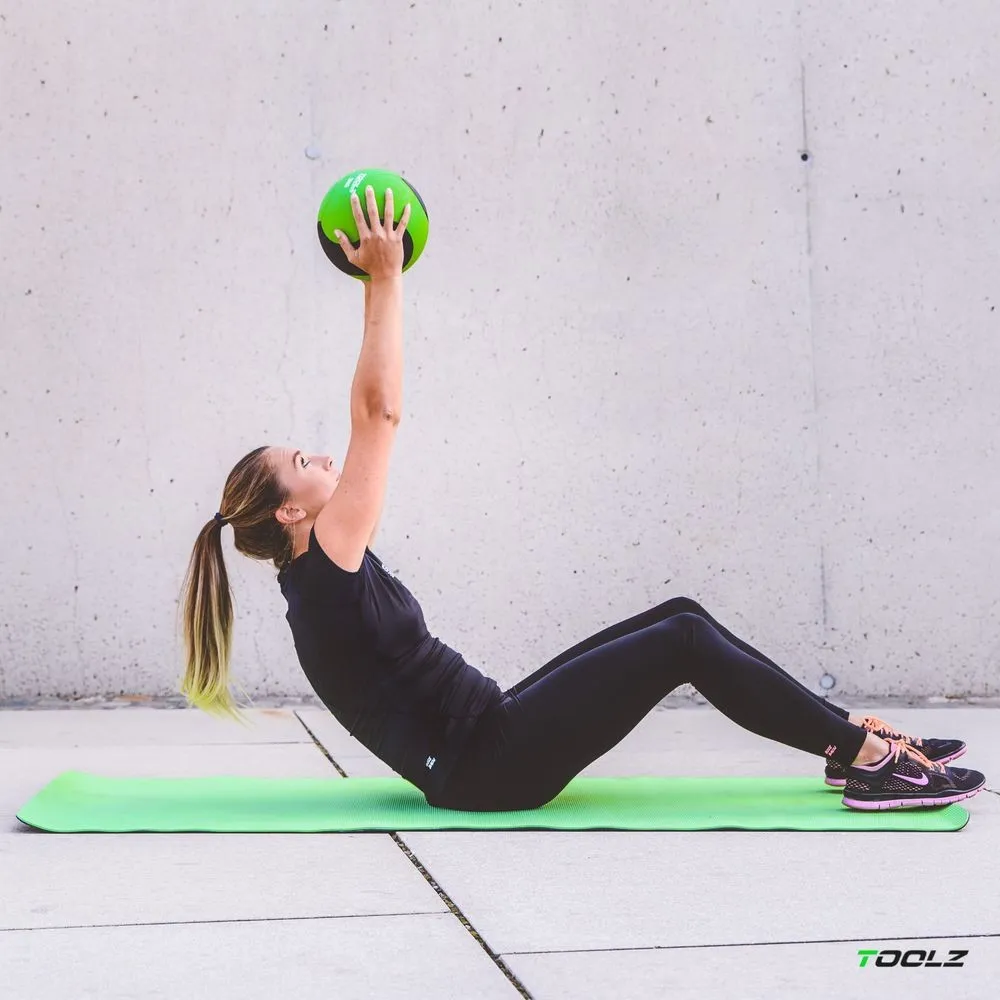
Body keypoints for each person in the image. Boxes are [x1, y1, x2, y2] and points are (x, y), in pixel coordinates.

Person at [179, 185, 986, 813]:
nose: (323, 457)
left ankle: (845, 740)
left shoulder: (322, 571)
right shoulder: (325, 571)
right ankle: (870, 762)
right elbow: (378, 413)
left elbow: (368, 414)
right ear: (289, 511)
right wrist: (385, 280)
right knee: (682, 642)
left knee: (681, 614)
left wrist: (376, 277)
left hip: (490, 734)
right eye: (302, 461)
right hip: (486, 768)